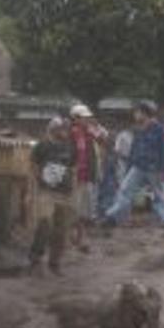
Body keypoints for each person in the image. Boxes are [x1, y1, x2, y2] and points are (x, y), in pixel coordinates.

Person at [103, 102, 164, 228]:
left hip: (154, 167)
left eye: (137, 112)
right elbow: (134, 149)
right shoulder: (138, 129)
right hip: (138, 166)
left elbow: (163, 150)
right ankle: (113, 217)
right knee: (124, 190)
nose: (135, 115)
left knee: (160, 194)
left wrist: (163, 169)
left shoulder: (158, 128)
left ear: (144, 113)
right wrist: (129, 166)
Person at [29, 117, 76, 276]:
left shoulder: (69, 147)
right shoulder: (42, 146)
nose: (66, 132)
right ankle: (35, 258)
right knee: (45, 223)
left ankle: (55, 263)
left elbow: (72, 167)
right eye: (62, 129)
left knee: (61, 230)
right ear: (53, 129)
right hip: (47, 192)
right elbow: (33, 164)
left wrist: (72, 189)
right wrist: (40, 180)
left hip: (64, 193)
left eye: (66, 129)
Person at [68, 104, 108, 252]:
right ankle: (74, 239)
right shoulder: (71, 133)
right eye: (84, 118)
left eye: (87, 118)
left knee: (84, 210)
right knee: (75, 209)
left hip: (87, 176)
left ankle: (80, 239)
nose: (87, 120)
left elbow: (104, 140)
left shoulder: (88, 133)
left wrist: (96, 130)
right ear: (76, 118)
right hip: (75, 177)